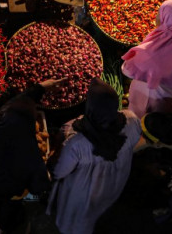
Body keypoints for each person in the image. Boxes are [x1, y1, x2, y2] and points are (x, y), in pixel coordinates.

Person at [0, 79, 64, 234]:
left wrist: (39, 88)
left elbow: (16, 104)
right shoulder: (27, 147)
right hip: (8, 186)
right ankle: (3, 229)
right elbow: (40, 184)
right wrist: (47, 176)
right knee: (10, 207)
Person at [47, 79, 141, 234]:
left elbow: (59, 171)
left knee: (79, 219)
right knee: (102, 208)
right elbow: (134, 140)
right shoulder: (131, 119)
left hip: (84, 191)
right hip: (113, 183)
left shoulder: (76, 142)